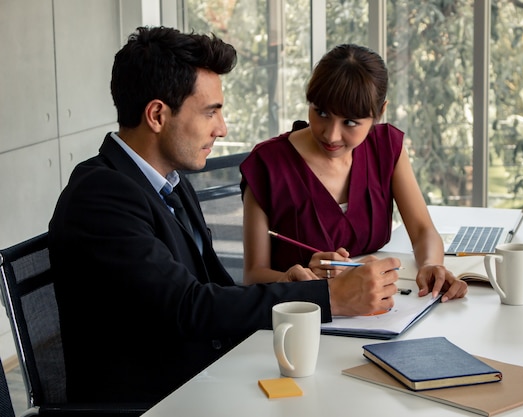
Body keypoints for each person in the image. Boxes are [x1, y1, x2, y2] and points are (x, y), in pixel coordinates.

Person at [48, 27, 400, 407]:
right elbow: (188, 307)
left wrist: (293, 283)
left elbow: (215, 291)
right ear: (156, 115)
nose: (222, 128)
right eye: (210, 112)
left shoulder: (170, 184)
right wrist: (329, 296)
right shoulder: (101, 195)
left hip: (206, 379)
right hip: (158, 403)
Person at [240, 44, 467, 303]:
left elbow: (423, 230)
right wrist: (293, 278)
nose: (330, 134)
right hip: (303, 317)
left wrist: (429, 265)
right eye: (321, 113)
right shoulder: (266, 164)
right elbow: (253, 276)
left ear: (379, 112)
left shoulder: (386, 148)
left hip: (382, 306)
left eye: (350, 122)